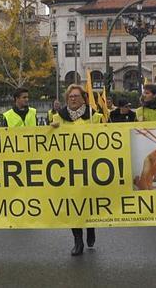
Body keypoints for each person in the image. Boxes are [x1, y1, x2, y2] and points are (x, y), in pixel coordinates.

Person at [50, 84, 102, 256]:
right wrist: (53, 128)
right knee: (73, 205)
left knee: (89, 202)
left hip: (91, 166)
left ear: (84, 98)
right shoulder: (59, 117)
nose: (73, 99)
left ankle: (91, 227)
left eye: (76, 96)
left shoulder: (95, 117)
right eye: (70, 96)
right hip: (69, 168)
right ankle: (77, 240)